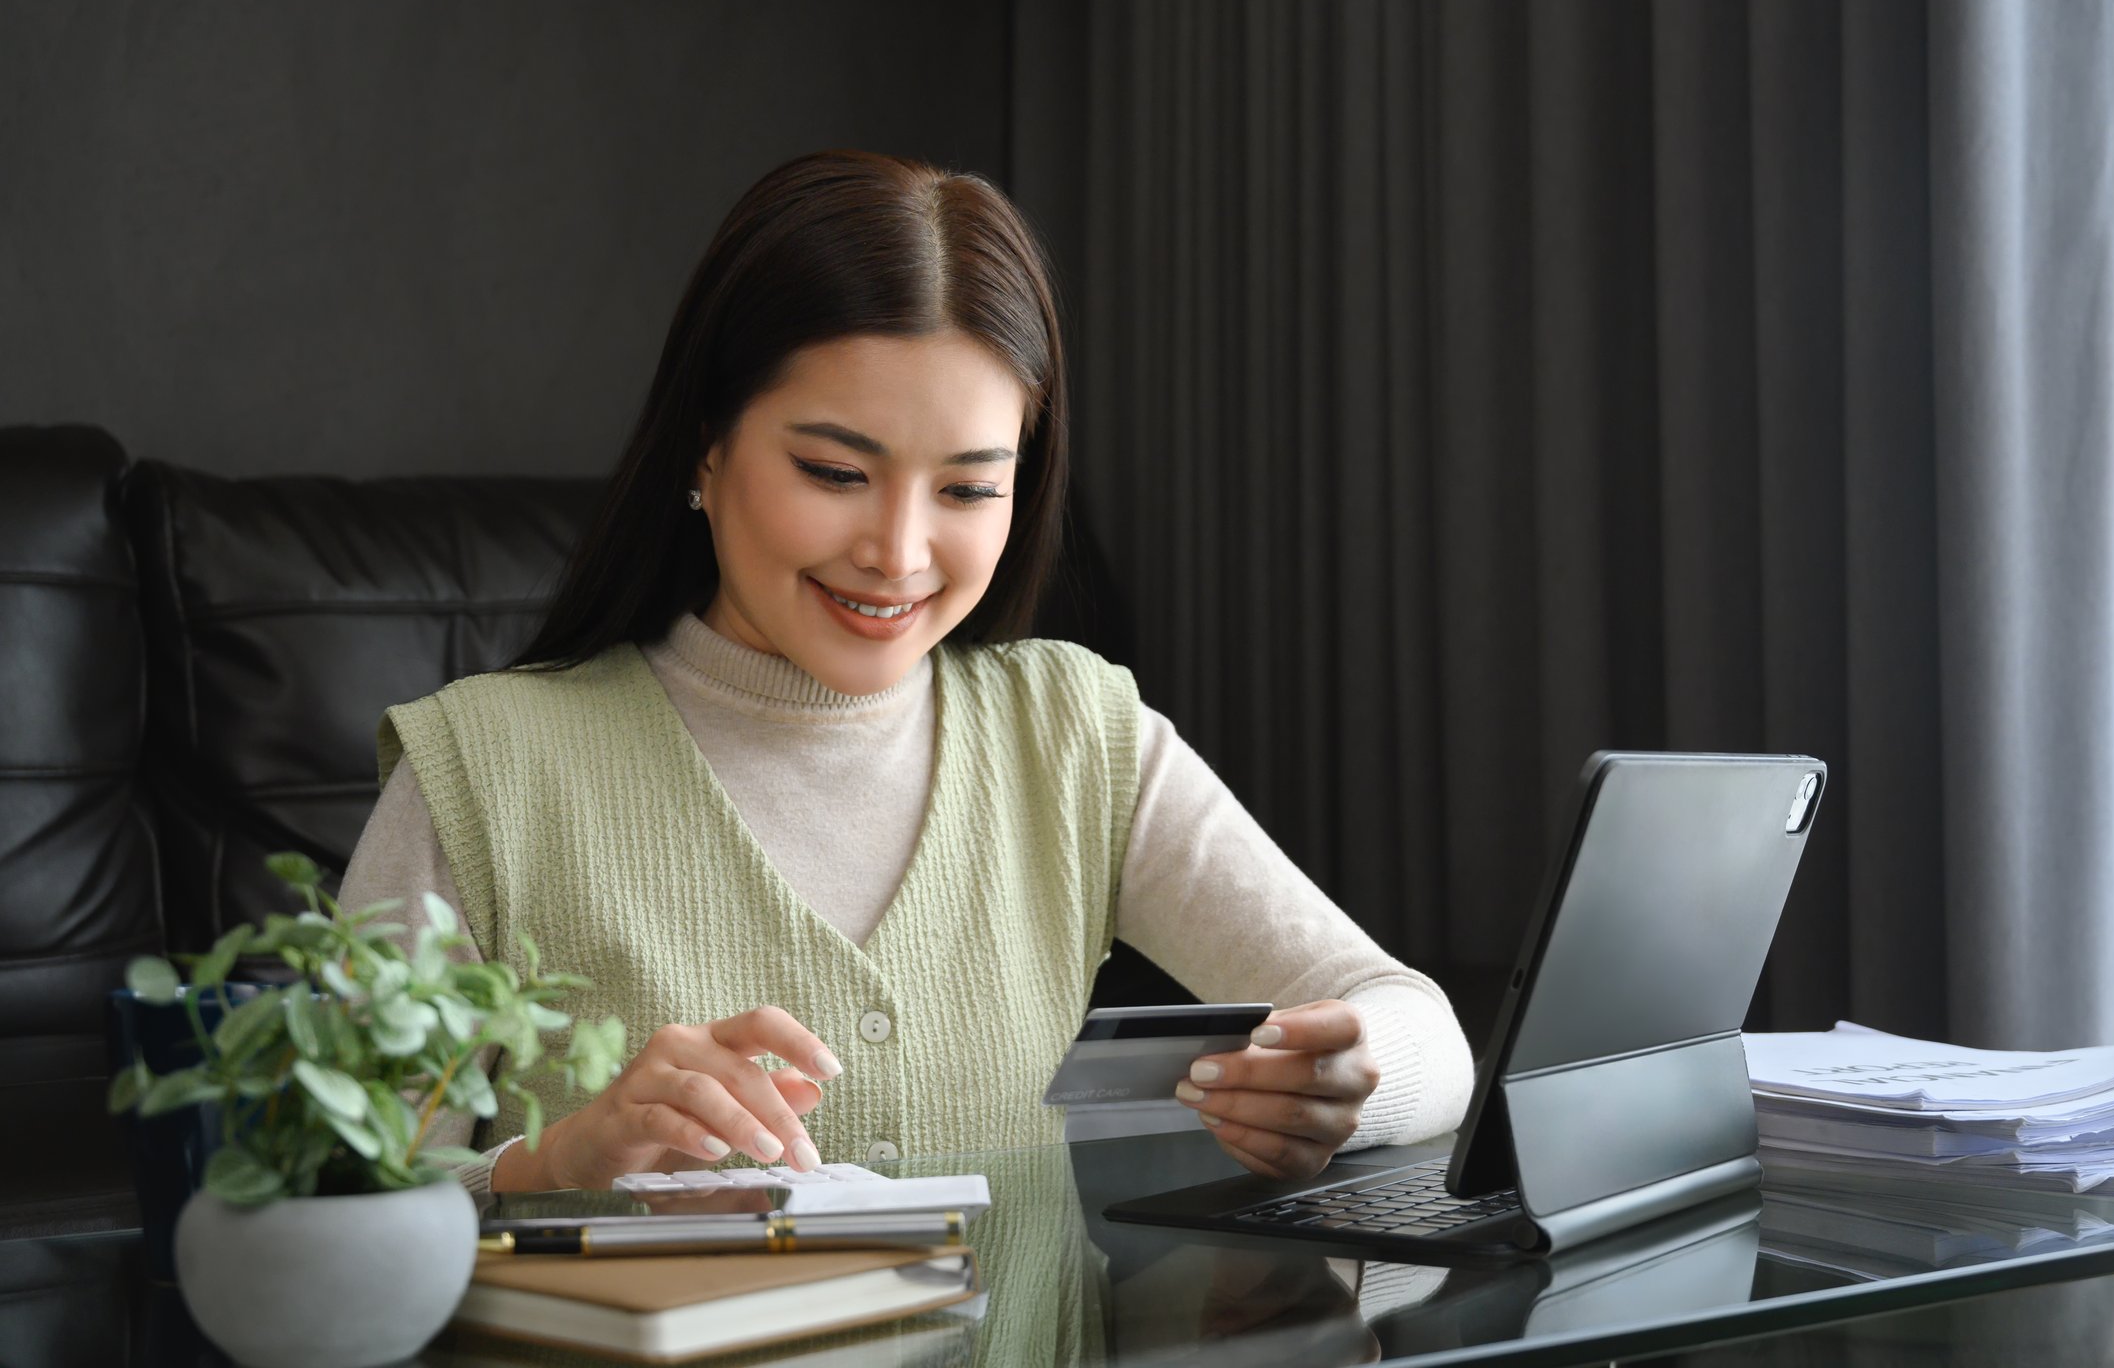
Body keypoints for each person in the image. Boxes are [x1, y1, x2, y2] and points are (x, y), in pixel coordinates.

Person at [339, 149, 1474, 1196]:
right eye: (836, 470)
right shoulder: (481, 773)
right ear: (705, 441)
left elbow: (1417, 1023)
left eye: (971, 489)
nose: (898, 552)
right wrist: (553, 1164)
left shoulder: (1072, 732)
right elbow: (321, 1192)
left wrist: (1353, 1079)